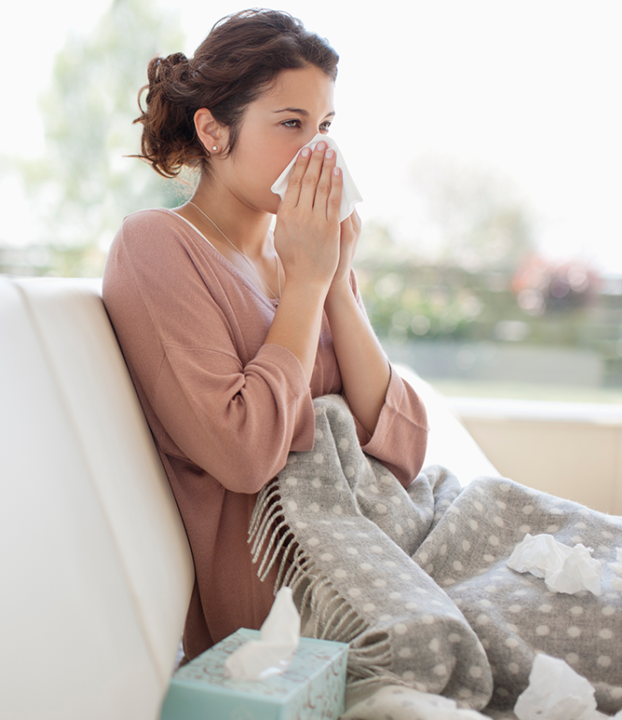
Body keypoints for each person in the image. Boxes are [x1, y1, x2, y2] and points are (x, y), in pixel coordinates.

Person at [101, 8, 429, 663]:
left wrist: (332, 282)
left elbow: (403, 446)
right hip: (286, 590)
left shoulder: (306, 255)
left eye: (326, 127)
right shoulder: (159, 246)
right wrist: (307, 285)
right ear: (213, 130)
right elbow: (245, 454)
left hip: (387, 530)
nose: (319, 152)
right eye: (291, 125)